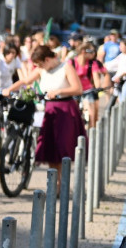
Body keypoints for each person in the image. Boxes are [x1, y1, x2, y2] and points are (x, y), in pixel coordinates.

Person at [5, 45, 85, 177]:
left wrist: (59, 91)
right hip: (49, 109)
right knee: (50, 149)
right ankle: (55, 183)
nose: (39, 67)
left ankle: (61, 184)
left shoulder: (66, 67)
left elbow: (78, 89)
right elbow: (25, 81)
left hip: (65, 109)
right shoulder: (41, 69)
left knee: (62, 148)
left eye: (40, 64)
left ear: (47, 59)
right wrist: (9, 89)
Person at [72, 40, 109, 128]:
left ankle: (92, 130)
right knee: (72, 111)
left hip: (88, 90)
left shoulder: (93, 63)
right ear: (83, 52)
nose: (94, 54)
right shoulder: (72, 62)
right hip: (74, 90)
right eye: (91, 52)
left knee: (92, 113)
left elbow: (96, 76)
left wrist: (98, 87)